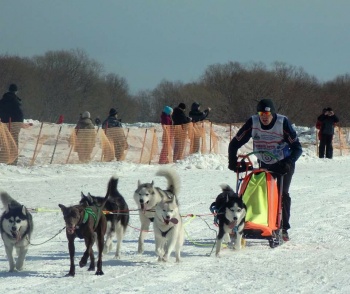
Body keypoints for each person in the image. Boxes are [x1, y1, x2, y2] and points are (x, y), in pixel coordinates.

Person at [228, 98, 302, 242]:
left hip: (283, 162)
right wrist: (232, 161)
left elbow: (297, 148)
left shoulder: (282, 122)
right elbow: (234, 143)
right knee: (261, 192)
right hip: (265, 162)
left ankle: (283, 228)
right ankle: (260, 223)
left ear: (273, 114)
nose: (264, 117)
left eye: (267, 114)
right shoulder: (253, 122)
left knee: (282, 193)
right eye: (261, 113)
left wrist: (288, 162)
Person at [0, 84, 24, 165]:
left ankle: (3, 159)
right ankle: (13, 161)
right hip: (16, 122)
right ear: (16, 91)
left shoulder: (3, 100)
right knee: (14, 140)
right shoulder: (16, 100)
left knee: (4, 140)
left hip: (4, 122)